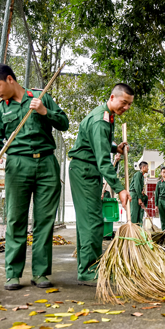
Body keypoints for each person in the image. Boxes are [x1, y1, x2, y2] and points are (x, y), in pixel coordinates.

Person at [0, 64, 70, 290]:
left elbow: (64, 123)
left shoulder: (40, 97)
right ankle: (13, 273)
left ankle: (40, 273)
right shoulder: (1, 110)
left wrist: (44, 111)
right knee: (15, 219)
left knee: (44, 221)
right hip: (17, 164)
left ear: (10, 79)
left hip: (47, 164)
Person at [67, 83, 133, 286]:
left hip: (87, 170)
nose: (126, 108)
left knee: (88, 220)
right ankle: (88, 270)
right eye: (124, 103)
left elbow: (101, 144)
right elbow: (103, 161)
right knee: (93, 221)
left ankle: (87, 265)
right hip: (85, 171)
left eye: (129, 104)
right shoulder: (100, 120)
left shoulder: (107, 115)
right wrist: (120, 188)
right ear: (113, 97)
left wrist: (116, 147)